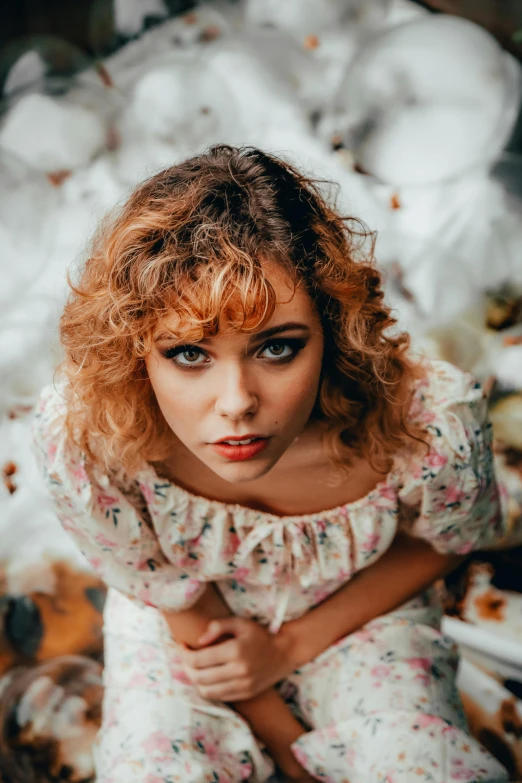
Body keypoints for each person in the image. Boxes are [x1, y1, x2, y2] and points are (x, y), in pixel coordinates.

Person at [31, 145, 509, 783]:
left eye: (278, 347)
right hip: (185, 628)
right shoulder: (89, 436)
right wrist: (289, 745)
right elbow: (171, 595)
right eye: (189, 354)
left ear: (332, 329)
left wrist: (287, 648)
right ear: (135, 346)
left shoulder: (428, 425)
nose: (237, 404)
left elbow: (450, 540)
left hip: (365, 612)